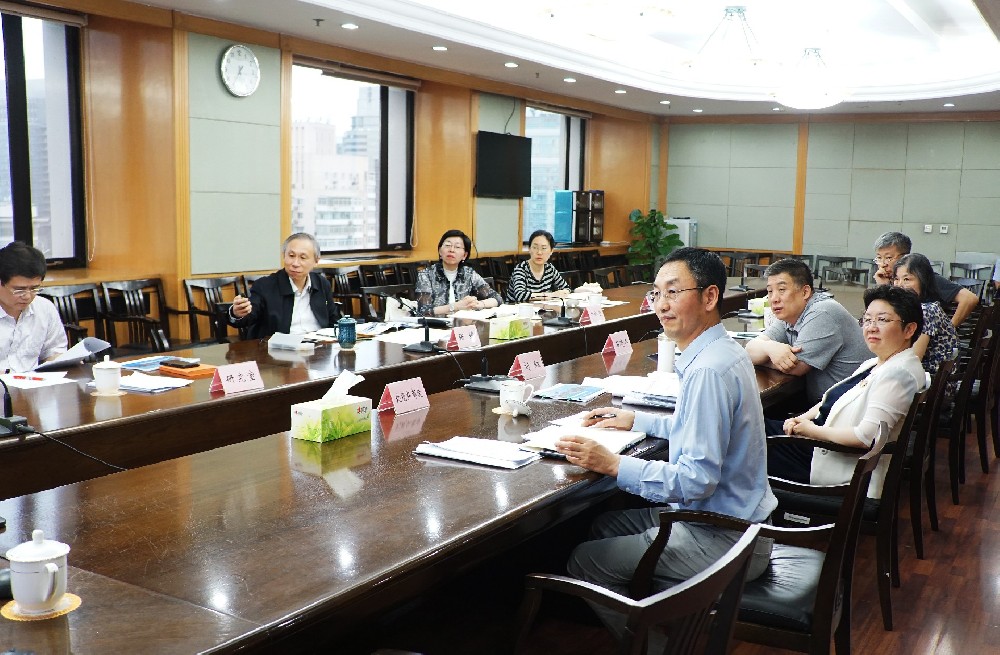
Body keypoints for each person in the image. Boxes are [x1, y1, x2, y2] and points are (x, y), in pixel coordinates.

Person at [554, 247, 776, 642]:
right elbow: (701, 429)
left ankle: (656, 647)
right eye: (656, 293)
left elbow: (696, 480)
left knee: (584, 560)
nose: (661, 305)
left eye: (673, 292)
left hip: (723, 536)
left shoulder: (708, 370)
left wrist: (613, 464)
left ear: (710, 297)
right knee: (602, 525)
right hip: (736, 524)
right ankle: (653, 618)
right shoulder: (722, 351)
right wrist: (637, 420)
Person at [768, 285, 927, 498]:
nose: (871, 327)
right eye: (867, 319)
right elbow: (835, 399)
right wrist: (802, 419)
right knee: (752, 425)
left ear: (909, 330)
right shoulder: (878, 362)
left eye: (882, 320)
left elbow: (866, 437)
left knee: (747, 434)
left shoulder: (898, 375)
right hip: (821, 444)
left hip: (833, 466)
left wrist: (811, 431)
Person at [745, 258, 869, 413]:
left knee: (751, 420)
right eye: (770, 291)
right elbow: (748, 352)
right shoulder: (789, 315)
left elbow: (796, 367)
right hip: (824, 406)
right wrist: (770, 348)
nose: (774, 298)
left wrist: (767, 354)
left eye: (782, 290)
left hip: (844, 412)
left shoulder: (822, 312)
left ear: (805, 292)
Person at [229, 233, 339, 339]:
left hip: (319, 346)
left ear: (316, 261)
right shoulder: (264, 285)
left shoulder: (322, 283)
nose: (295, 263)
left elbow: (334, 319)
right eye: (291, 256)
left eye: (303, 257)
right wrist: (237, 313)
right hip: (280, 348)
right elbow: (249, 316)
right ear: (284, 256)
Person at [872, 231, 978, 328]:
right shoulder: (889, 280)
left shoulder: (927, 278)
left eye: (888, 258)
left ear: (905, 257)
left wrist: (949, 329)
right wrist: (883, 287)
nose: (882, 264)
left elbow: (969, 298)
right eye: (879, 258)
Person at [0, 241, 67, 372]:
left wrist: (65, 361)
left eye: (34, 289)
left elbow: (54, 351)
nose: (27, 296)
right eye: (19, 289)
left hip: (34, 382)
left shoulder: (45, 308)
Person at [892, 253, 958, 382]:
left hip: (932, 386)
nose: (899, 285)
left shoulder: (927, 311)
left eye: (907, 279)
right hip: (925, 380)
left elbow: (913, 359)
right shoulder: (916, 307)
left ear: (923, 281)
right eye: (896, 279)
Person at [415, 230, 502, 316]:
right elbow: (423, 310)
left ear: (464, 255)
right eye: (447, 245)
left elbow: (497, 298)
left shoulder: (469, 274)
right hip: (436, 324)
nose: (451, 250)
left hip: (463, 323)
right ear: (440, 251)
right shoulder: (426, 275)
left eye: (457, 247)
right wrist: (455, 306)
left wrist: (479, 304)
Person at [504, 230, 569, 303]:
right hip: (517, 309)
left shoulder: (550, 269)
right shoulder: (521, 269)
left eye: (544, 248)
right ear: (529, 249)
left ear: (551, 251)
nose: (539, 252)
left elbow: (566, 288)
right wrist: (550, 295)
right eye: (535, 247)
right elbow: (520, 295)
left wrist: (563, 292)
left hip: (541, 308)